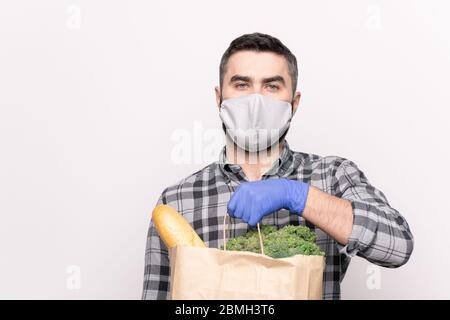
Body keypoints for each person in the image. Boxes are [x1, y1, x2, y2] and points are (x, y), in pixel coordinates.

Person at [142, 32, 414, 300]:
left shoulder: (331, 176)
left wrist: (296, 194)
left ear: (294, 102)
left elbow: (397, 245)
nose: (256, 101)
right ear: (219, 97)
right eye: (242, 85)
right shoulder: (178, 201)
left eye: (272, 86)